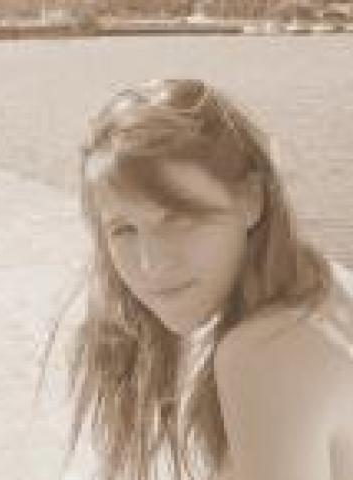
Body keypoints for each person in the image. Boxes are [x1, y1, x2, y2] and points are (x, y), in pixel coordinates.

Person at [38, 79, 353, 480]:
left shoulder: (265, 353)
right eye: (124, 230)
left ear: (252, 198)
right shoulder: (322, 289)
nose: (150, 265)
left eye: (178, 218)